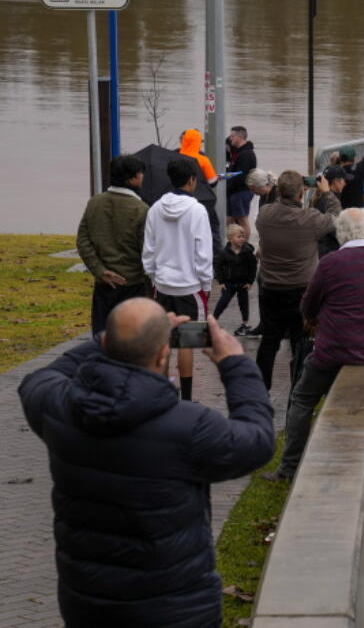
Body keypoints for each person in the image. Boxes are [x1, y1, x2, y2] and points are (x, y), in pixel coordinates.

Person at [17, 300, 274, 628]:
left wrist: (111, 339)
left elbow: (41, 377)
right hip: (173, 609)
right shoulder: (191, 426)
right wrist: (234, 363)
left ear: (106, 344)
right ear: (163, 354)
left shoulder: (58, 408)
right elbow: (258, 439)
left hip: (87, 603)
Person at [266, 209, 364, 482]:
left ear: (341, 232)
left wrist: (319, 316)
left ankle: (289, 468)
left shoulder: (330, 263)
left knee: (303, 398)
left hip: (333, 351)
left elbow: (309, 305)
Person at [254, 170, 339, 389]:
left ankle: (262, 390)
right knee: (300, 342)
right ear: (302, 193)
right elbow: (335, 218)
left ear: (278, 191)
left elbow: (273, 205)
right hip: (302, 291)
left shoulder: (263, 215)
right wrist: (327, 193)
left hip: (270, 289)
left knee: (269, 341)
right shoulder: (310, 219)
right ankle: (297, 389)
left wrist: (285, 188)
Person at [143, 158, 213, 400]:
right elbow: (203, 251)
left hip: (162, 284)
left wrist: (153, 276)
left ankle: (161, 394)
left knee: (163, 341)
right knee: (186, 343)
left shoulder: (154, 208)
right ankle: (186, 397)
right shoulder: (197, 210)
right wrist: (206, 283)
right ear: (192, 179)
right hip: (190, 286)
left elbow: (149, 249)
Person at [76, 154, 150, 335]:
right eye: (140, 174)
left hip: (104, 283)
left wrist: (99, 270)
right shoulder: (141, 209)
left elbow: (83, 240)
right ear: (132, 178)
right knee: (132, 339)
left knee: (102, 339)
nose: (142, 177)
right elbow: (147, 251)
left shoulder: (95, 202)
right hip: (133, 283)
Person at [242, 169, 277, 339]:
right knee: (262, 283)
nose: (252, 192)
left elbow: (275, 226)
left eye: (253, 189)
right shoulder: (264, 196)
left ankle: (272, 325)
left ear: (263, 185)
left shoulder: (277, 198)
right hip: (267, 246)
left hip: (276, 248)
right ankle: (265, 324)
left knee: (266, 283)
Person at [214, 224, 258, 335]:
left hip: (243, 283)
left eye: (243, 236)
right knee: (223, 302)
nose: (242, 238)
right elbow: (217, 266)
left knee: (244, 303)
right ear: (230, 239)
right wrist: (221, 281)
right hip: (228, 283)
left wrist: (250, 282)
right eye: (239, 236)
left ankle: (245, 323)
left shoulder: (247, 252)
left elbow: (253, 267)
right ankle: (213, 320)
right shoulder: (224, 253)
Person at [225, 126, 257, 238]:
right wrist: (222, 177)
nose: (230, 139)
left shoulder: (246, 154)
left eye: (232, 136)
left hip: (241, 192)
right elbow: (232, 172)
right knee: (229, 219)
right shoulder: (237, 152)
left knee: (242, 219)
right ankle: (232, 244)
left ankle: (245, 246)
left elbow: (241, 176)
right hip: (233, 191)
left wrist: (228, 185)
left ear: (239, 137)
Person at [313, 166, 347, 258]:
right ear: (336, 182)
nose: (345, 183)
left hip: (322, 249)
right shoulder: (328, 201)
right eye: (343, 180)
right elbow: (334, 228)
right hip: (327, 251)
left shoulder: (321, 198)